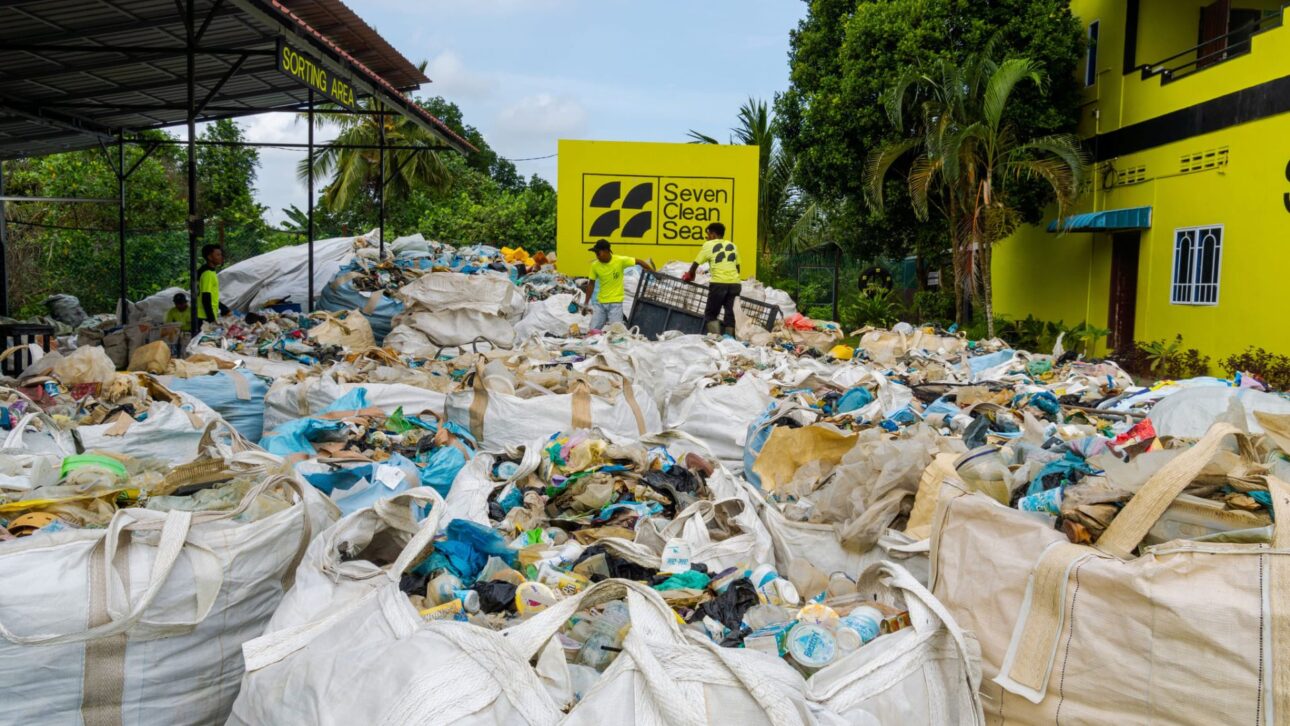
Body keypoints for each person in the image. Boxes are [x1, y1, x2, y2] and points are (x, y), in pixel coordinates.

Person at [681, 222, 741, 336]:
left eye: (708, 235)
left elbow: (695, 264)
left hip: (718, 283)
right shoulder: (733, 245)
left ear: (713, 234)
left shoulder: (708, 245)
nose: (707, 237)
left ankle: (715, 337)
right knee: (730, 313)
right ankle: (729, 338)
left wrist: (690, 275)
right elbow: (737, 268)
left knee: (711, 313)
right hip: (735, 284)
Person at [582, 239, 654, 331]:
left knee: (616, 332)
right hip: (600, 304)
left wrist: (654, 273)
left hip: (615, 304)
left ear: (606, 251)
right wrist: (586, 303)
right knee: (593, 330)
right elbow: (591, 284)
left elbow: (639, 261)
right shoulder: (595, 266)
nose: (597, 256)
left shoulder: (619, 260)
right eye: (595, 254)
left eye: (598, 253)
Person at [196, 244, 229, 325]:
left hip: (205, 315)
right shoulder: (208, 274)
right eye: (218, 255)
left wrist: (224, 308)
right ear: (210, 257)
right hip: (204, 316)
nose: (221, 257)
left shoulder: (209, 271)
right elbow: (206, 297)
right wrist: (212, 319)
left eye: (221, 254)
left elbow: (212, 296)